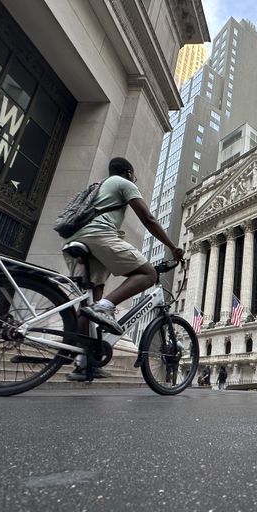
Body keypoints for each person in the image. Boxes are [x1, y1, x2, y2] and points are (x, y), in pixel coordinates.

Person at [64, 157, 183, 381]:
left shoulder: (100, 186)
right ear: (129, 172)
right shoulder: (124, 183)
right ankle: (106, 307)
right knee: (148, 274)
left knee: (89, 302)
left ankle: (83, 362)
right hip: (99, 235)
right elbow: (148, 219)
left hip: (76, 238)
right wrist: (172, 247)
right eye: (133, 174)